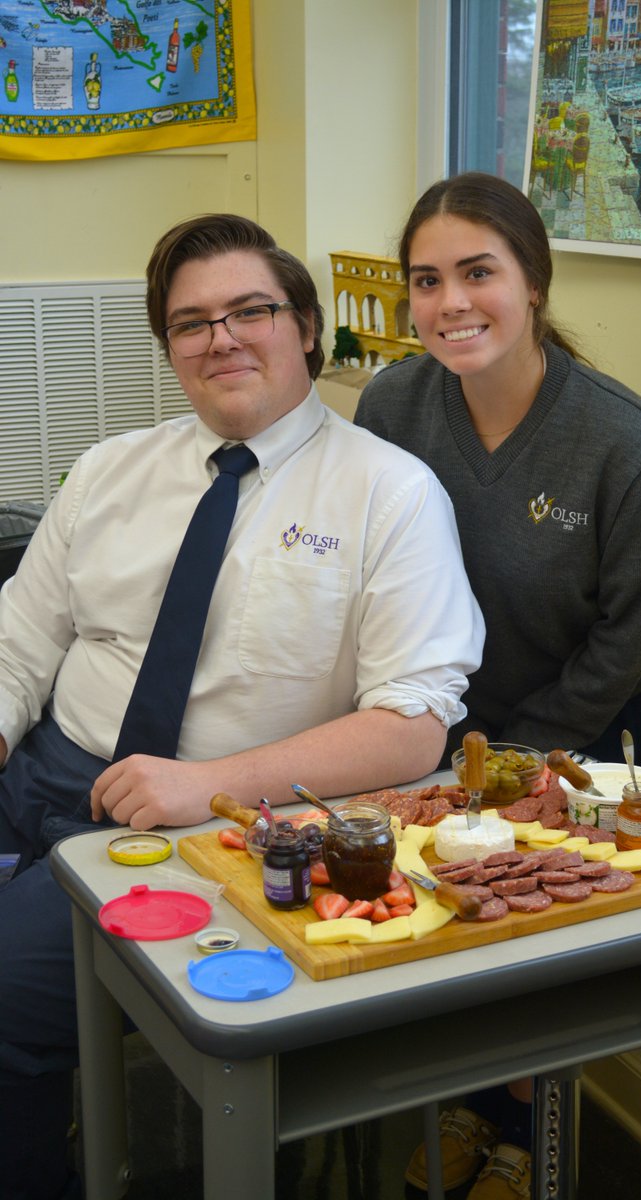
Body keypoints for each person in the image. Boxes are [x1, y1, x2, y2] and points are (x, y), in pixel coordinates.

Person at [0, 213, 484, 1200]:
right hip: (47, 767)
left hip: (212, 824)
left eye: (248, 311)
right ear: (170, 348)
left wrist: (206, 787)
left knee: (5, 994)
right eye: (189, 322)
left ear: (304, 327)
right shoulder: (109, 471)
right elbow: (20, 639)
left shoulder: (389, 495)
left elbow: (410, 728)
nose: (219, 337)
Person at [354, 172, 641, 1197]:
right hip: (451, 722)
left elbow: (631, 635)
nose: (449, 302)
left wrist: (509, 764)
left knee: (543, 940)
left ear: (532, 282)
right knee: (450, 920)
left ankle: (524, 1135)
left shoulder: (623, 444)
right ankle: (462, 1102)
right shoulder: (391, 403)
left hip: (590, 730)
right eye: (425, 280)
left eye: (476, 272)